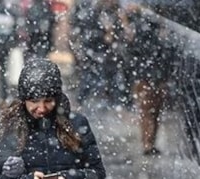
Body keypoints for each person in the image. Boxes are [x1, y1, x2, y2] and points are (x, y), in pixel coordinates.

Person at [123, 5, 176, 155]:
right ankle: (148, 143)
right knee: (150, 112)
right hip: (150, 77)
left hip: (149, 76)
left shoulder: (145, 29)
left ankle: (149, 143)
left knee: (151, 112)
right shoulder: (152, 31)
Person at [70, 0, 125, 105]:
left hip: (106, 54)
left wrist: (111, 33)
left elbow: (118, 35)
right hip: (94, 52)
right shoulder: (90, 10)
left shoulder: (114, 12)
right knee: (89, 80)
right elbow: (81, 31)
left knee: (109, 82)